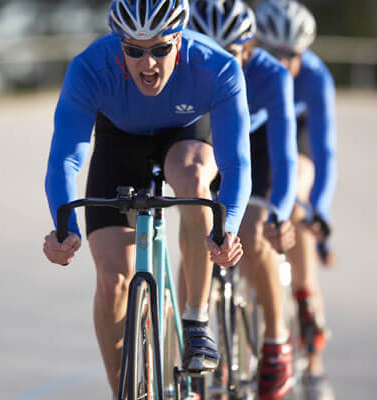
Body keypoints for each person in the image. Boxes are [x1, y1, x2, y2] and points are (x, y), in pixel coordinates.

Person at [43, 0, 253, 394]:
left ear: (180, 40)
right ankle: (121, 389)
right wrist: (63, 228)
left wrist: (229, 231)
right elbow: (64, 161)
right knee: (112, 280)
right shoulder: (90, 68)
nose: (148, 64)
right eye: (134, 50)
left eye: (160, 49)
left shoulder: (216, 66)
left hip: (186, 135)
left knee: (193, 178)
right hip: (119, 142)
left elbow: (237, 164)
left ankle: (195, 320)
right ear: (118, 42)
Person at [189, 0, 298, 398]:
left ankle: (275, 342)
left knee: (252, 230)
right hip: (210, 144)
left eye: (228, 55)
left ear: (248, 50)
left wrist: (280, 214)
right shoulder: (184, 72)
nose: (213, 64)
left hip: (259, 148)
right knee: (196, 230)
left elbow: (286, 155)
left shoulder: (271, 76)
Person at [255, 0, 337, 398]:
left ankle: (306, 304)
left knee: (298, 193)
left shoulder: (316, 78)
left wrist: (319, 214)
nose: (284, 63)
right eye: (274, 53)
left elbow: (325, 152)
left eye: (293, 56)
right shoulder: (247, 66)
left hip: (297, 134)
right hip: (259, 133)